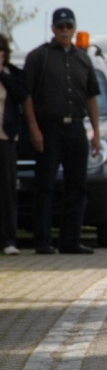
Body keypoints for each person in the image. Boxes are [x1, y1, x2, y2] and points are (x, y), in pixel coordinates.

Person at [22, 7, 100, 255]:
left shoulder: (83, 58)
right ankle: (43, 241)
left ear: (74, 28)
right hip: (49, 128)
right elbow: (27, 96)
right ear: (53, 29)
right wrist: (34, 128)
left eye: (69, 26)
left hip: (76, 127)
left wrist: (96, 132)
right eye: (61, 27)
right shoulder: (38, 57)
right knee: (45, 186)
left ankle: (70, 240)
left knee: (77, 186)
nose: (65, 31)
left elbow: (91, 97)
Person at [0, 34, 29, 256]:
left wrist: (1, 73)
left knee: (8, 190)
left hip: (6, 139)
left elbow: (21, 95)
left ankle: (8, 238)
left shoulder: (13, 74)